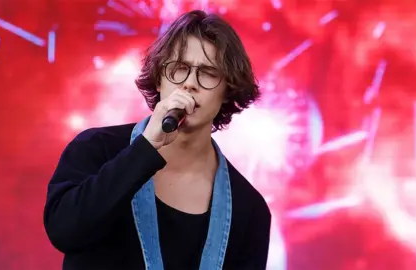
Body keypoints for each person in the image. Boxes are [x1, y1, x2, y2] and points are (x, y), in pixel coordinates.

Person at [44, 10, 271, 270]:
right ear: (159, 79)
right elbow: (64, 231)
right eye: (179, 69)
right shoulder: (97, 148)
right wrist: (145, 148)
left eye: (207, 73)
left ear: (228, 91)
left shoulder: (249, 209)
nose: (189, 84)